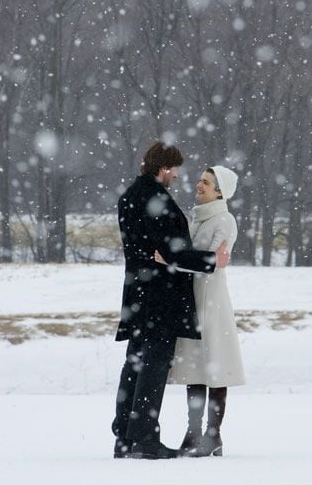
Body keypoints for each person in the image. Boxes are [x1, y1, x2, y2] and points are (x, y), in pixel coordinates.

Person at [112, 142, 230, 460]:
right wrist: (211, 261)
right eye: (174, 169)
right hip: (160, 297)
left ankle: (124, 435)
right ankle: (145, 438)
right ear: (164, 168)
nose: (177, 176)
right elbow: (173, 252)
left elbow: (156, 249)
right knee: (153, 365)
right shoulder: (156, 199)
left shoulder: (129, 196)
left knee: (134, 364)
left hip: (137, 292)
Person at [156, 166, 245, 457]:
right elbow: (198, 257)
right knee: (195, 369)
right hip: (191, 299)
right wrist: (180, 258)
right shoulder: (195, 217)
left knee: (215, 367)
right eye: (200, 180)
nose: (199, 185)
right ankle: (193, 432)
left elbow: (214, 261)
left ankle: (212, 434)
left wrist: (172, 259)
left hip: (212, 301)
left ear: (220, 191)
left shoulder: (225, 220)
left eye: (206, 182)